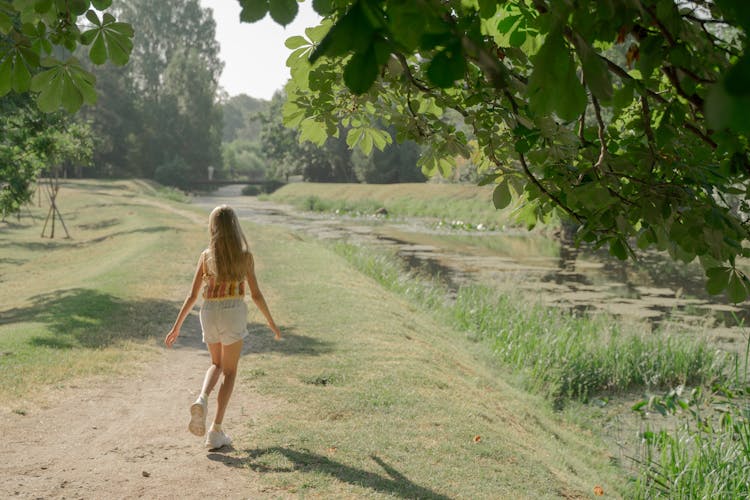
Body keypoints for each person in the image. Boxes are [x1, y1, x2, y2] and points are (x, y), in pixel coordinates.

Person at [164, 205, 281, 449]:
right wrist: (271, 322)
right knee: (230, 371)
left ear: (213, 228)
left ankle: (202, 398)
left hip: (209, 312)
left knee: (215, 364)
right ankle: (216, 430)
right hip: (233, 312)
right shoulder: (245, 256)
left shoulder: (206, 256)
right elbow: (257, 295)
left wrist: (176, 327)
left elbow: (192, 295)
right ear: (235, 226)